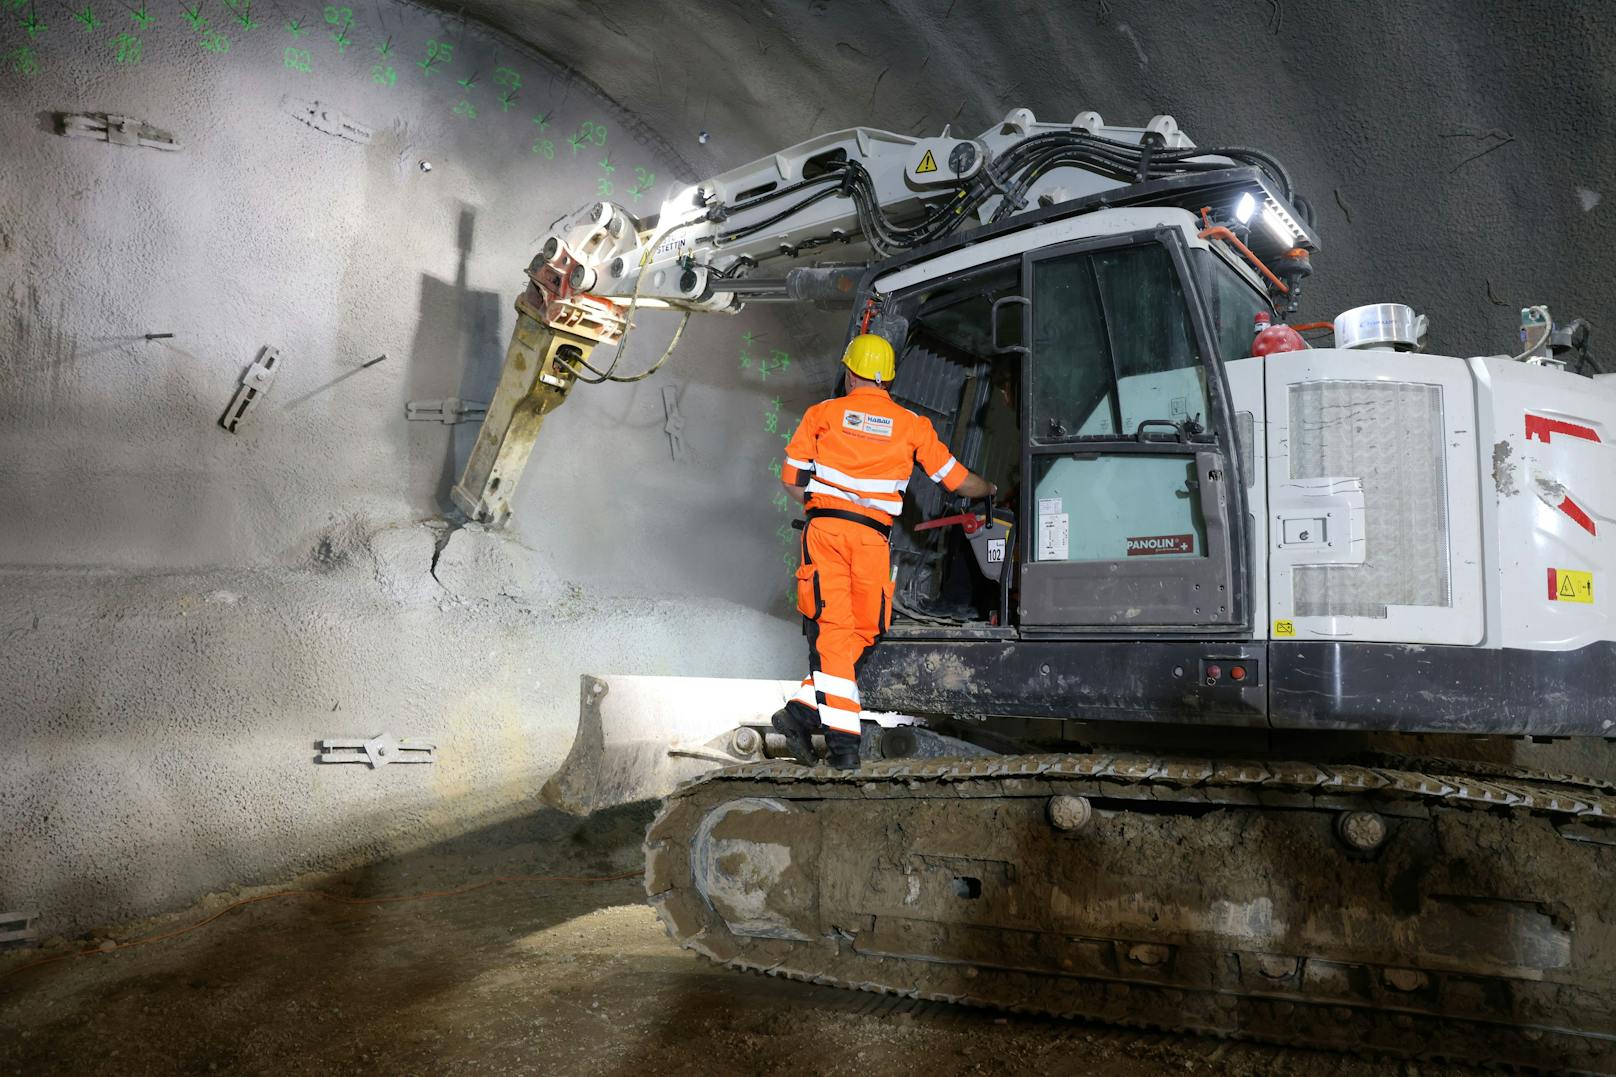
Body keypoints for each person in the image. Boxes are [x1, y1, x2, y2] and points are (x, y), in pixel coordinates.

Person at [773, 333, 996, 769]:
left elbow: (789, 479)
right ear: (889, 380)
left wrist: (825, 506)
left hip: (829, 533)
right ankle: (843, 746)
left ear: (850, 372)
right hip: (870, 538)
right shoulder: (913, 426)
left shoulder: (822, 415)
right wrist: (990, 489)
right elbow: (956, 481)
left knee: (864, 630)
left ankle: (799, 713)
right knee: (841, 633)